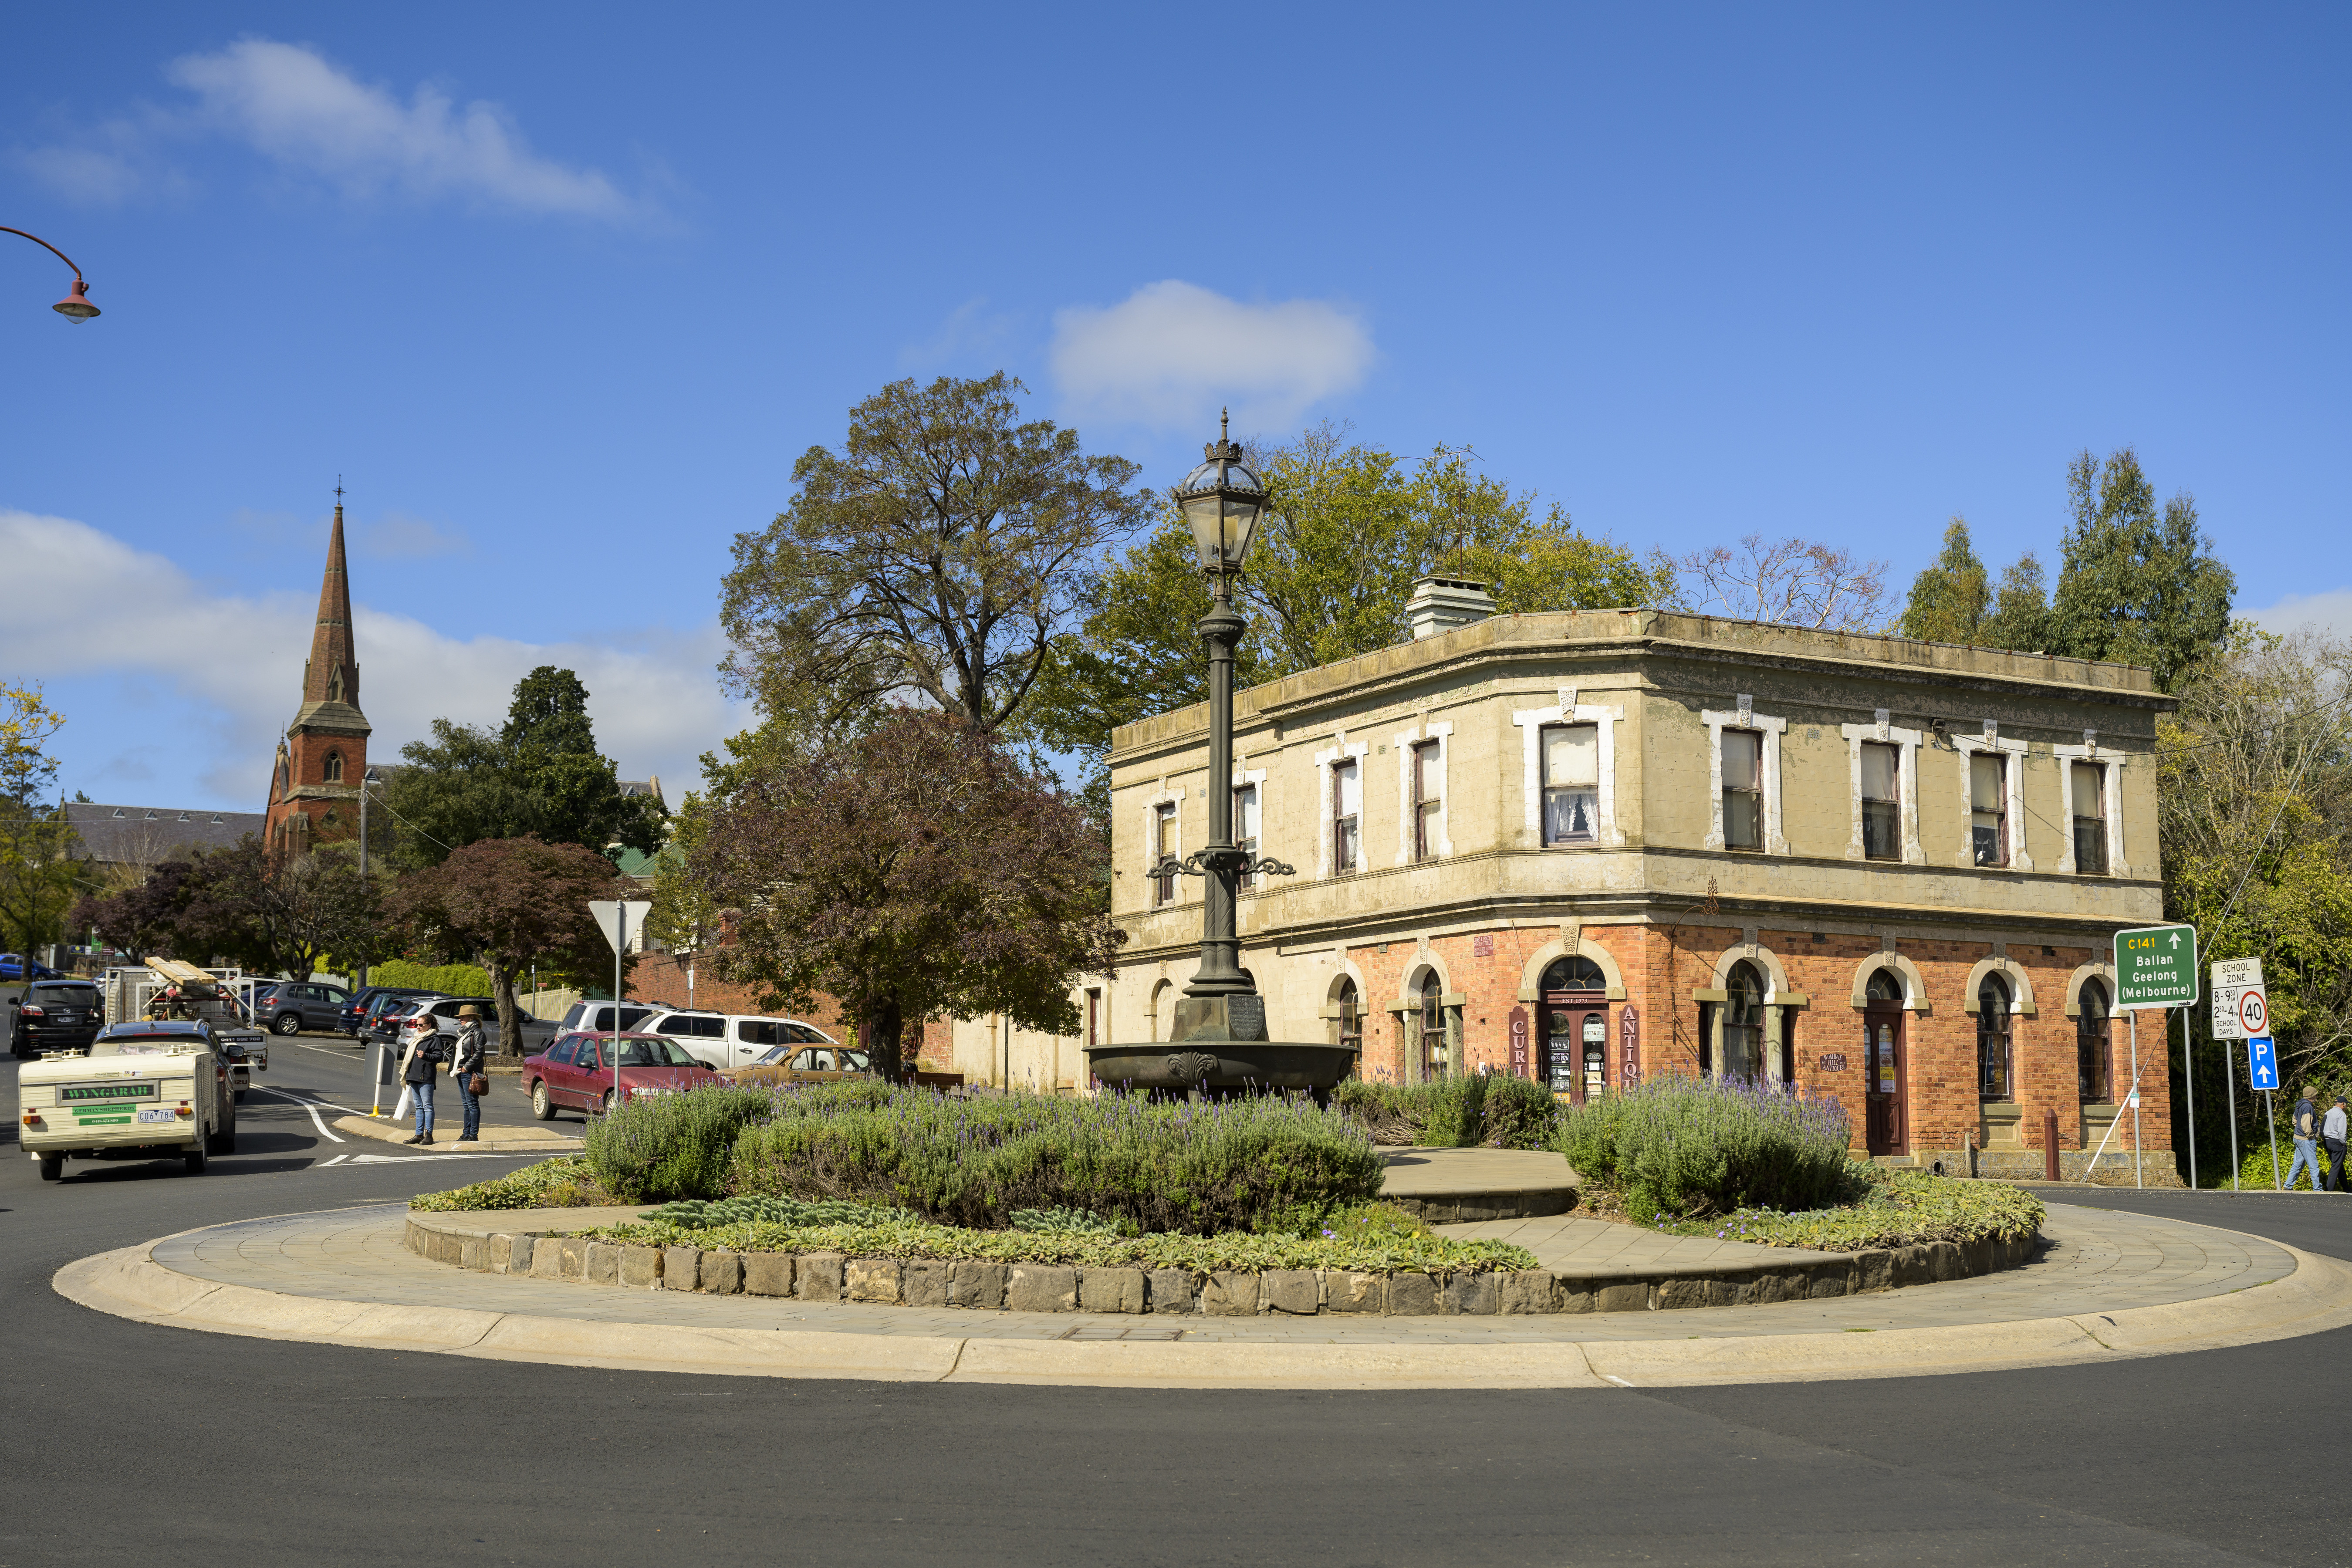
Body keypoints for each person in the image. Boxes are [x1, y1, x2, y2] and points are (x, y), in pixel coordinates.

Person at [399, 1027, 446, 1146]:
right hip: (413, 1076)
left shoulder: (434, 1038)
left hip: (425, 1077)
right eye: (417, 1024)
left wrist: (426, 1055)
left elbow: (439, 1057)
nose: (418, 1027)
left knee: (427, 1106)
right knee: (419, 1107)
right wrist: (408, 1076)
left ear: (429, 1025)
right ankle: (419, 1135)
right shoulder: (417, 1039)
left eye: (422, 1024)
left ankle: (429, 1135)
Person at [451, 1004, 488, 1143]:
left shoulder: (477, 1033)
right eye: (460, 1017)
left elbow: (479, 1053)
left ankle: (473, 1134)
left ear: (472, 1017)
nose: (461, 1019)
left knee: (472, 1104)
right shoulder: (465, 1032)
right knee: (466, 1105)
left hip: (470, 1072)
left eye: (463, 1017)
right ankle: (466, 1133)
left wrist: (467, 1067)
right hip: (461, 1072)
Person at [2285, 1086, 2323, 1191]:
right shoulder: (2308, 1107)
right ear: (2312, 1096)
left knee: (2297, 1164)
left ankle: (2288, 1186)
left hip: (2298, 1138)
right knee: (2314, 1166)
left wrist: (2299, 1130)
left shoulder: (2300, 1105)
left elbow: (2294, 1120)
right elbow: (2306, 1125)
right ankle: (2317, 1189)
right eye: (2316, 1094)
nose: (2316, 1096)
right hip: (2306, 1140)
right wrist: (2312, 1136)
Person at [2326, 1095, 2349, 1195]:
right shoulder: (2341, 1114)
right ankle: (2328, 1190)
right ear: (2343, 1104)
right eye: (2346, 1104)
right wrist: (2344, 1143)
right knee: (2336, 1166)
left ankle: (2347, 1188)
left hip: (2327, 1141)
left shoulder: (2328, 1113)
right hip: (2337, 1142)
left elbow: (2322, 1128)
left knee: (2339, 1164)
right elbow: (2342, 1132)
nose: (2346, 1106)